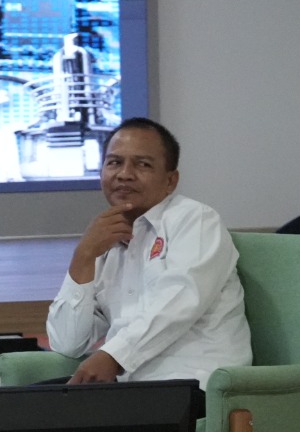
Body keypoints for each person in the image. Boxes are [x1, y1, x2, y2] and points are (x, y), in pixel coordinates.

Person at [47, 116, 251, 389]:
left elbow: (178, 302)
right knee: (21, 405)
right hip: (131, 388)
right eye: (114, 162)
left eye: (142, 164)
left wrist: (112, 356)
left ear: (171, 181)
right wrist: (83, 256)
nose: (124, 174)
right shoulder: (106, 241)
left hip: (194, 385)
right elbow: (67, 343)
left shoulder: (195, 220)